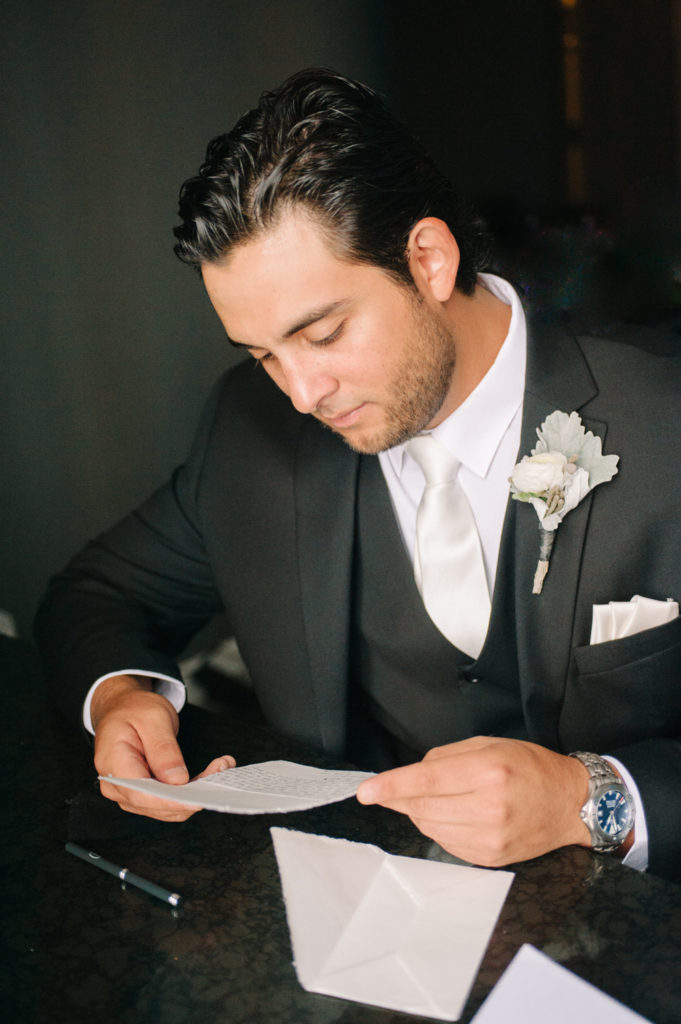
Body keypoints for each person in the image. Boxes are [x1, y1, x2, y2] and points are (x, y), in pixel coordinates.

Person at [35, 68, 681, 881]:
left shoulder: (667, 422)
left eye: (324, 333)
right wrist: (124, 698)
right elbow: (97, 593)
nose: (301, 394)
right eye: (264, 354)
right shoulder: (250, 429)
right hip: (358, 921)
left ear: (429, 259)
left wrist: (586, 799)